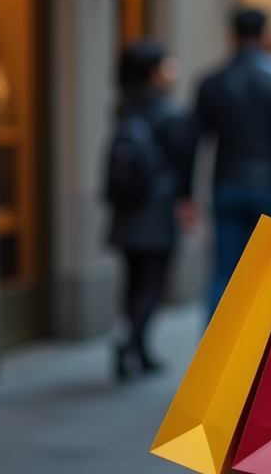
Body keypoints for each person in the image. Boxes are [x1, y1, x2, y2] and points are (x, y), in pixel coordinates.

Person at [181, 8, 271, 316]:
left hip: (226, 185)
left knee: (223, 272)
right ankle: (261, 349)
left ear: (232, 35)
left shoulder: (211, 82)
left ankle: (215, 354)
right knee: (269, 273)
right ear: (267, 35)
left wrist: (185, 195)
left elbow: (190, 142)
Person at [104, 40, 188, 380]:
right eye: (167, 64)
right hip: (156, 210)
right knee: (153, 284)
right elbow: (181, 162)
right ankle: (131, 343)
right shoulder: (169, 112)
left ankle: (139, 347)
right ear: (154, 72)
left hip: (126, 211)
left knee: (132, 280)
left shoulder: (123, 106)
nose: (172, 70)